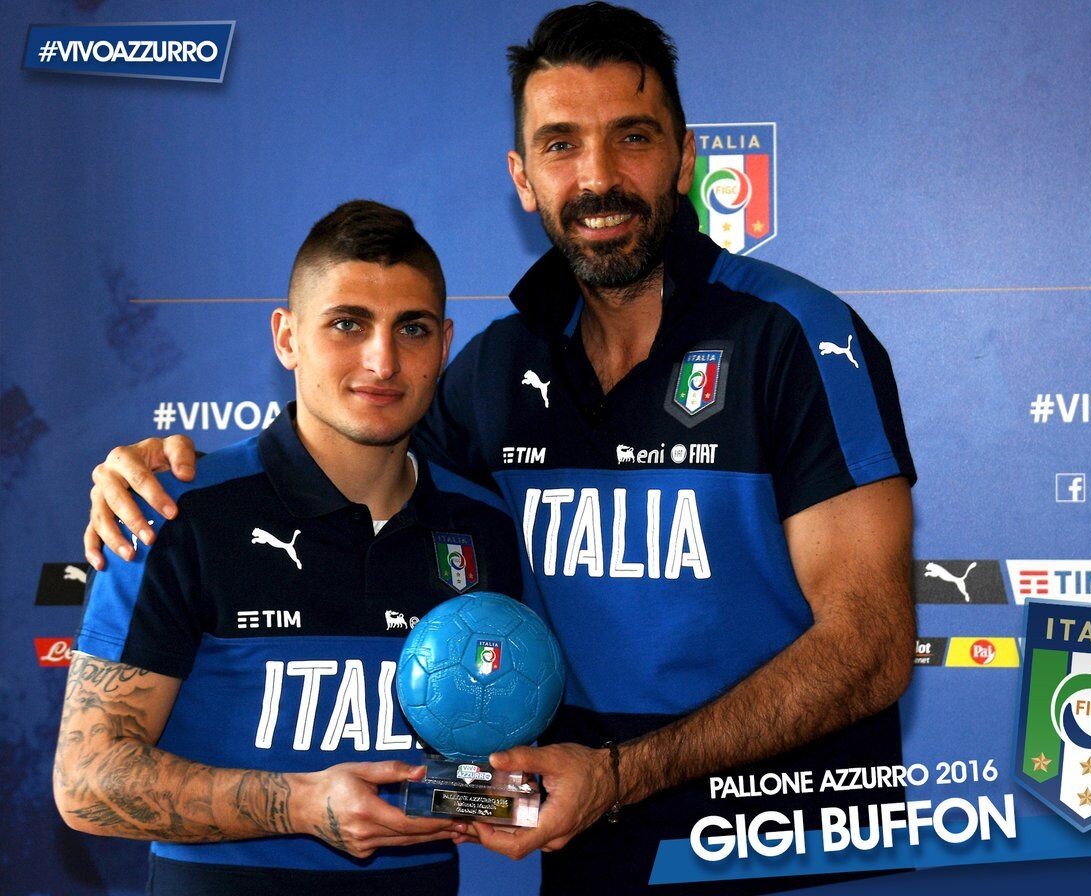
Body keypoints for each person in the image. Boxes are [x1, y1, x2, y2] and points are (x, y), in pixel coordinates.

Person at [83, 5, 917, 893]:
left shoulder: (795, 337)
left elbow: (868, 645)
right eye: (560, 145)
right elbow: (356, 470)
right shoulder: (493, 371)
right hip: (591, 851)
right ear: (523, 177)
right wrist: (155, 467)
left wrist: (622, 776)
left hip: (794, 850)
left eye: (630, 138)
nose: (598, 177)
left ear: (683, 156)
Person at [57, 200, 523, 896]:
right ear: (286, 337)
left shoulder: (481, 525)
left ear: (445, 345)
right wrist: (304, 806)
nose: (382, 360)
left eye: (412, 329)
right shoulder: (174, 510)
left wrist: (506, 800)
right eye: (347, 323)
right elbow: (86, 781)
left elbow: (479, 785)